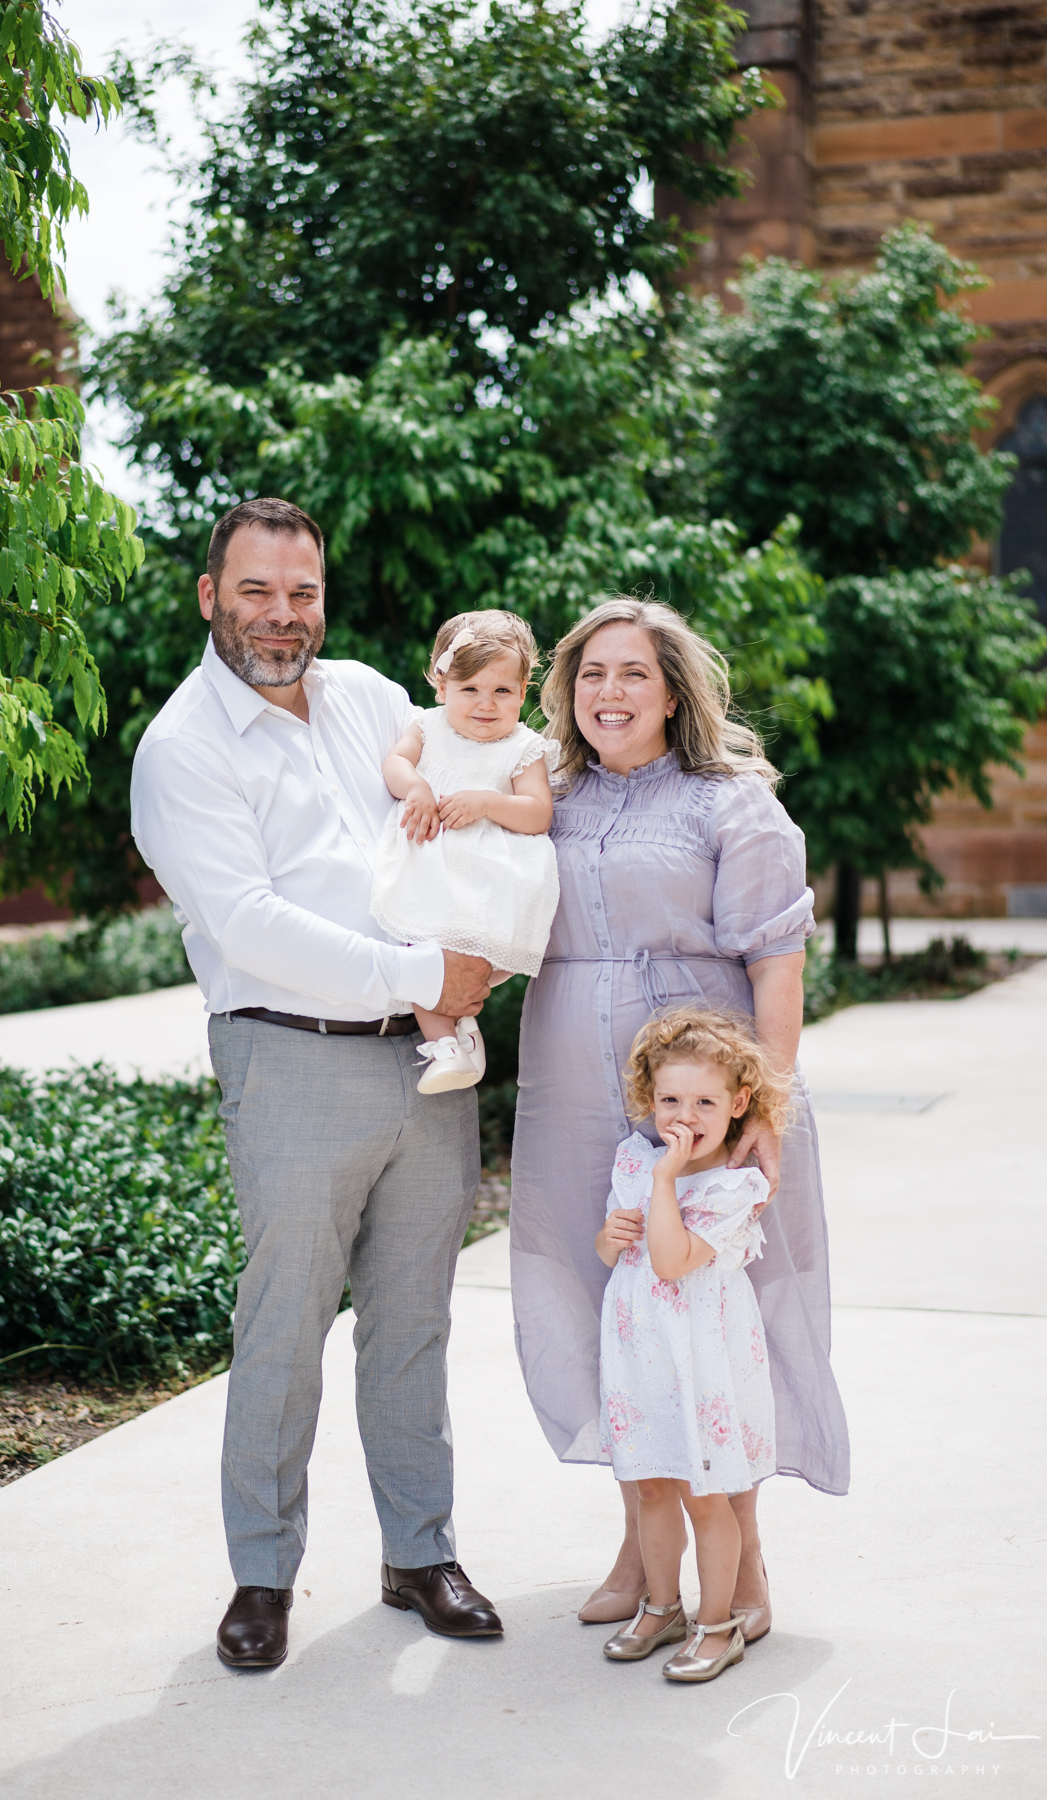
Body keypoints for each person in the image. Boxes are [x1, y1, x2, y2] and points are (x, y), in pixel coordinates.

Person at [131, 496, 504, 1671]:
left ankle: (419, 1551)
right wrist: (424, 968)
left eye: (301, 593)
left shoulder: (373, 702)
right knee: (283, 1325)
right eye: (256, 591)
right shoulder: (182, 746)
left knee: (414, 1321)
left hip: (428, 1059)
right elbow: (249, 926)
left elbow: (476, 783)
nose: (281, 617)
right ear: (210, 596)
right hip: (288, 1052)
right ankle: (261, 1575)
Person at [511, 596, 850, 1640]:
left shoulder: (728, 802)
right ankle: (643, 1544)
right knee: (608, 1306)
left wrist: (769, 1106)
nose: (609, 693)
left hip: (701, 1090)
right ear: (567, 690)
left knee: (713, 1322)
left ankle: (739, 1567)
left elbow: (777, 958)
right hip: (569, 1078)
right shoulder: (544, 796)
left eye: (634, 674)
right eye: (592, 674)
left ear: (674, 692)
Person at [595, 1007, 785, 1683]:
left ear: (738, 1104)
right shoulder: (634, 1158)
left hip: (699, 1361)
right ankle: (661, 1604)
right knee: (650, 1486)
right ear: (649, 1100)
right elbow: (623, 1253)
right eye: (669, 1099)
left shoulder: (735, 1187)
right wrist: (611, 1236)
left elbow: (673, 1261)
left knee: (707, 1493)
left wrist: (664, 1182)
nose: (684, 1115)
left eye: (704, 1102)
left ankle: (719, 1622)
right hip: (641, 1354)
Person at [371, 611, 559, 1093]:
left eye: (502, 691)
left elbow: (538, 813)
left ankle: (458, 1036)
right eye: (470, 689)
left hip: (486, 881)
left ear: (522, 692)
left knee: (462, 961)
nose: (485, 704)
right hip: (432, 869)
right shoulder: (427, 727)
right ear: (441, 687)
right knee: (422, 952)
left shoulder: (523, 747)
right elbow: (395, 763)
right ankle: (449, 1047)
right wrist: (415, 788)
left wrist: (490, 803)